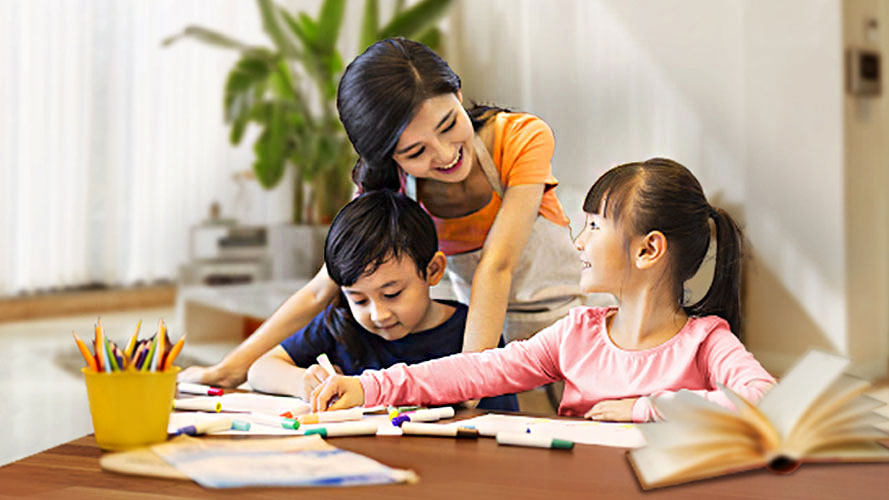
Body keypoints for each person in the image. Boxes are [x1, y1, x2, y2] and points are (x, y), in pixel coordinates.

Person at [180, 37, 582, 389]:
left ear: (459, 96)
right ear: (388, 156)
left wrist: (467, 385)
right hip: (478, 338)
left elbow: (496, 265)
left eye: (448, 125)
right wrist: (229, 369)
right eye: (415, 151)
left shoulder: (520, 138)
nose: (444, 154)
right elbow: (324, 287)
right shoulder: (390, 184)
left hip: (561, 333)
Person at [311, 159, 777, 422]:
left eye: (594, 225)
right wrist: (368, 386)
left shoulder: (705, 342)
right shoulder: (577, 334)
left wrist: (643, 408)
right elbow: (478, 371)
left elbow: (764, 398)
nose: (579, 240)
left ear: (648, 250)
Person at [247, 190, 518, 411]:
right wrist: (302, 383)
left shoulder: (472, 336)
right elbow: (260, 369)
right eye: (359, 300)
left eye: (392, 294)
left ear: (433, 270)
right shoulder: (340, 325)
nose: (378, 315)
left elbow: (499, 419)